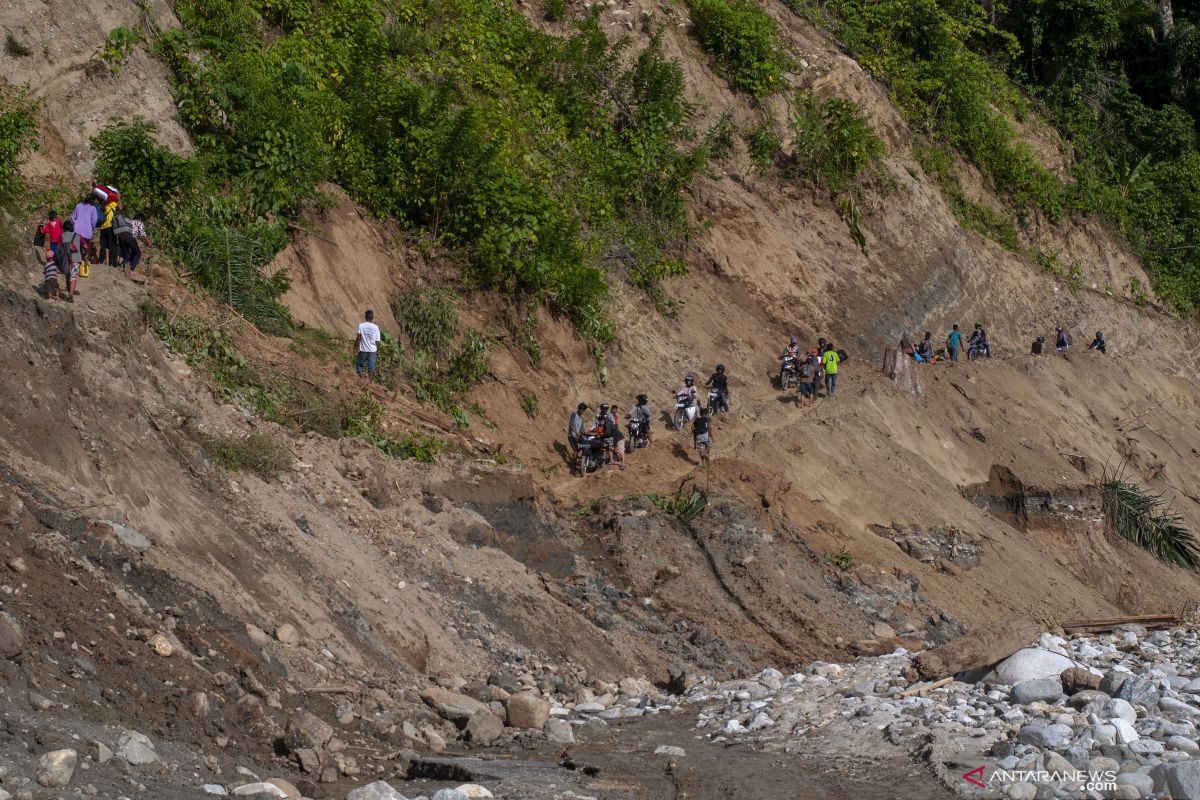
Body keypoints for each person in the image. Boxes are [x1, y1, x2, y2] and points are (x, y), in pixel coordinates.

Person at [596, 403, 626, 470]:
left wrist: (601, 435)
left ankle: (623, 464)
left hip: (618, 437)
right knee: (609, 448)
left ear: (603, 419)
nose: (600, 421)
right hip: (613, 437)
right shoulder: (606, 422)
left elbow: (607, 433)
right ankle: (612, 461)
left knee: (620, 451)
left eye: (601, 420)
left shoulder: (607, 422)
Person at [58, 221, 82, 302]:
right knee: (74, 276)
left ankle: (69, 291)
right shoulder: (78, 235)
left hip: (66, 260)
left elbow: (58, 248)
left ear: (64, 228)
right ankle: (71, 293)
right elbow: (85, 246)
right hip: (76, 259)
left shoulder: (61, 236)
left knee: (67, 275)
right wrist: (85, 255)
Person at [113, 207, 140, 277]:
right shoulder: (132, 221)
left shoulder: (118, 220)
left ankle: (125, 268)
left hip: (120, 237)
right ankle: (131, 269)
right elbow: (138, 233)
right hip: (128, 236)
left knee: (126, 253)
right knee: (138, 253)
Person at [355, 309, 382, 381]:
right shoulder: (376, 327)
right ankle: (370, 383)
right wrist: (377, 351)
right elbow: (377, 341)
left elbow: (358, 338)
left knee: (359, 366)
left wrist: (355, 347)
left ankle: (362, 378)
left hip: (363, 350)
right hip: (373, 351)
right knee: (371, 369)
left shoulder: (361, 325)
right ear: (372, 317)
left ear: (365, 317)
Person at [96, 198, 118, 267]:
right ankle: (113, 263)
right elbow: (120, 207)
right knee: (112, 245)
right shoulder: (112, 203)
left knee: (103, 245)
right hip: (110, 226)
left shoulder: (102, 205)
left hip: (103, 227)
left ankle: (100, 261)